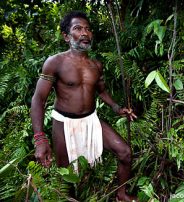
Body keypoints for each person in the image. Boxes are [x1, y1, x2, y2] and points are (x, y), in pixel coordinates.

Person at [30, 11, 137, 201]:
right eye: (77, 28)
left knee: (125, 153)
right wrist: (39, 139)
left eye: (87, 29)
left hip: (91, 120)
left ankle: (121, 194)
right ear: (66, 36)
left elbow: (101, 91)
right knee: (66, 177)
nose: (84, 33)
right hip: (64, 124)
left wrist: (116, 108)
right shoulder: (55, 62)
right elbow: (38, 99)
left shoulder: (96, 65)